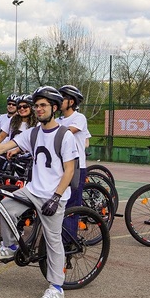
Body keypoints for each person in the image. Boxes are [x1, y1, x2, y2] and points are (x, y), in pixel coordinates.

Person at [0, 86, 79, 298]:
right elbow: (3, 146)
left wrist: (56, 197)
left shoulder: (65, 136)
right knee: (5, 207)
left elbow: (69, 171)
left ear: (54, 108)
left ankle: (56, 288)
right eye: (36, 105)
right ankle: (11, 246)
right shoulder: (33, 133)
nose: (38, 109)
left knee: (53, 241)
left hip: (53, 195)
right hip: (32, 190)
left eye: (43, 105)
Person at [58, 84, 91, 238]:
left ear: (71, 102)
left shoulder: (79, 118)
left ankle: (69, 240)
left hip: (76, 167)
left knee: (71, 205)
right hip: (58, 167)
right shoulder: (57, 119)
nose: (58, 101)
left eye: (62, 98)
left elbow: (65, 133)